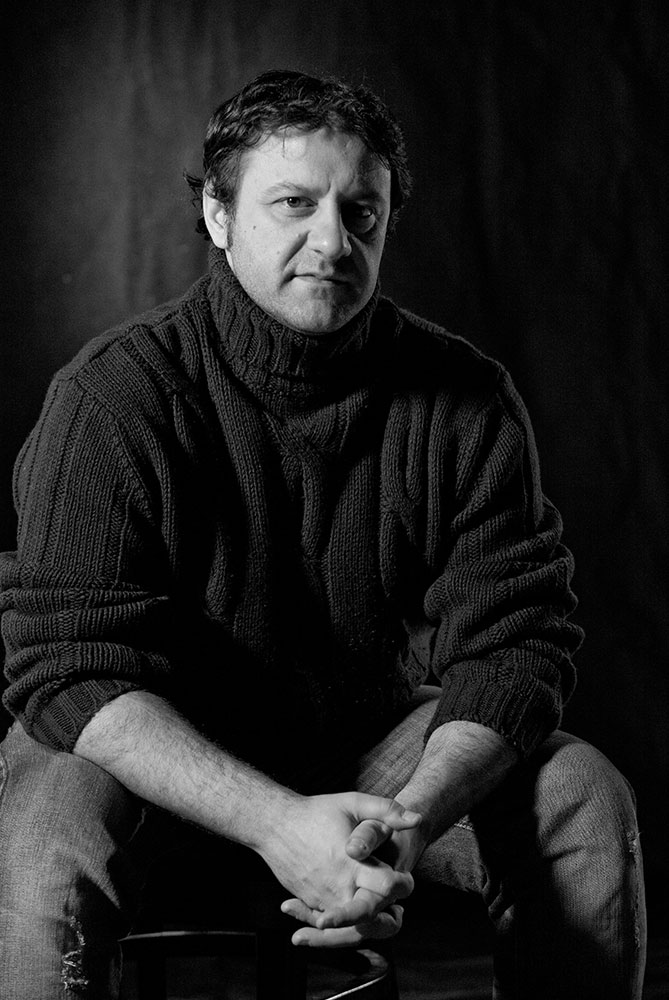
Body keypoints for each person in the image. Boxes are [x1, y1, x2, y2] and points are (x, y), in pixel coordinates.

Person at [0, 69, 646, 998]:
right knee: (41, 836)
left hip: (364, 746)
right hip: (151, 753)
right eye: (293, 204)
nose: (334, 241)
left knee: (580, 795)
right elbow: (67, 666)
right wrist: (277, 824)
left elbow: (516, 644)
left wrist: (408, 821)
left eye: (361, 211)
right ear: (219, 216)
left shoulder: (464, 398)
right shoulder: (114, 396)